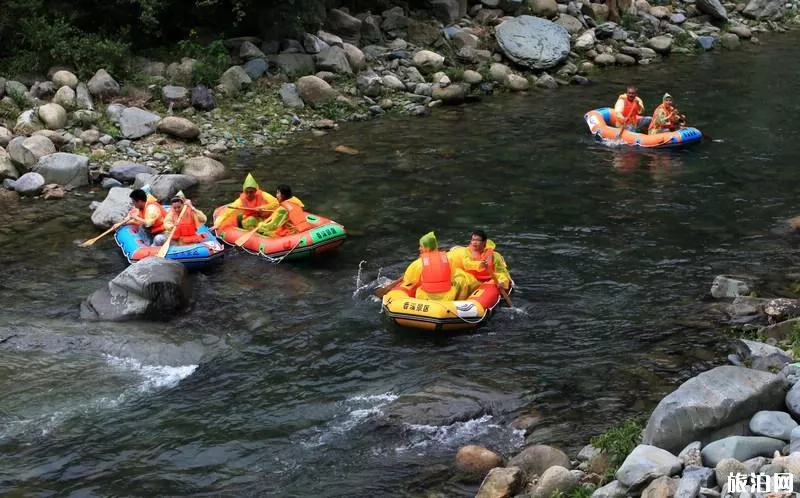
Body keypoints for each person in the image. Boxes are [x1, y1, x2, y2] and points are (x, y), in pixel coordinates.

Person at [401, 231, 477, 301]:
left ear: (427, 248)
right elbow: (452, 276)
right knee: (462, 282)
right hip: (447, 297)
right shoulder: (448, 258)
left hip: (424, 297)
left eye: (421, 246)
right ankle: (459, 303)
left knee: (419, 287)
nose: (419, 248)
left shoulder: (419, 262)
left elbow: (409, 280)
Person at [448, 230, 512, 293]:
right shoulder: (466, 251)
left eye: (477, 240)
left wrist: (502, 282)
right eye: (473, 240)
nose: (474, 242)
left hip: (488, 279)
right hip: (471, 278)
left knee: (501, 278)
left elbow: (502, 271)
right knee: (460, 278)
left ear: (484, 242)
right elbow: (466, 264)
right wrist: (479, 265)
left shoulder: (494, 255)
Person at [212, 173, 279, 230]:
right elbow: (228, 211)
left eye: (251, 192)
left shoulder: (264, 195)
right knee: (251, 220)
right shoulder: (241, 200)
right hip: (250, 219)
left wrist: (263, 208)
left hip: (264, 218)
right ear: (244, 191)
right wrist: (218, 224)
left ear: (255, 191)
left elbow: (276, 203)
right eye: (246, 192)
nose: (248, 194)